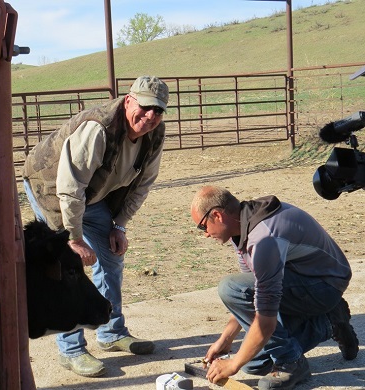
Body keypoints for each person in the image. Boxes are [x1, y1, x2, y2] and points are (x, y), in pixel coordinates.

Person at [22, 75, 169, 377]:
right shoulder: (99, 127)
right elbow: (69, 187)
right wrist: (73, 238)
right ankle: (71, 349)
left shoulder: (154, 134)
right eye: (145, 107)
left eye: (158, 110)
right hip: (51, 188)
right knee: (62, 265)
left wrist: (120, 226)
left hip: (92, 194)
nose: (151, 115)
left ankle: (111, 331)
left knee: (112, 256)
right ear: (129, 100)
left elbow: (143, 184)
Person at [190, 185, 359, 390]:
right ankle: (329, 323)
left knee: (230, 288)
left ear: (217, 215)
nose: (205, 234)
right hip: (302, 281)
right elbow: (252, 293)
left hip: (325, 286)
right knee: (254, 364)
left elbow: (263, 317)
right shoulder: (241, 228)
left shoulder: (264, 238)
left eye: (202, 227)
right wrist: (225, 340)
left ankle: (293, 360)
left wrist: (233, 364)